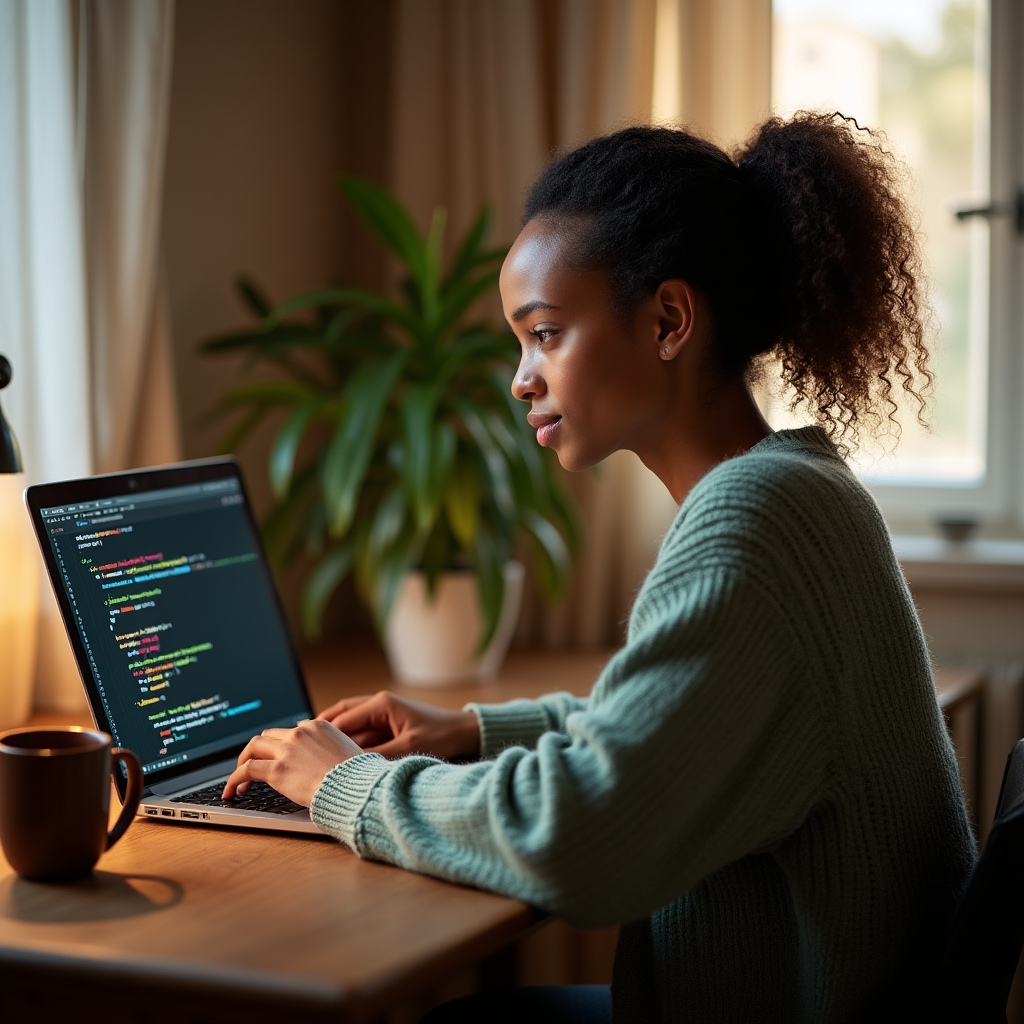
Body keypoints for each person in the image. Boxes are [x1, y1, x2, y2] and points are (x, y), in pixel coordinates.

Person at [223, 114, 975, 1023]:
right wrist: (478, 730)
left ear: (668, 321)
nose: (519, 378)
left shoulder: (752, 522)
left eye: (545, 334)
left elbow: (582, 841)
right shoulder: (800, 488)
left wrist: (343, 783)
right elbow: (695, 728)